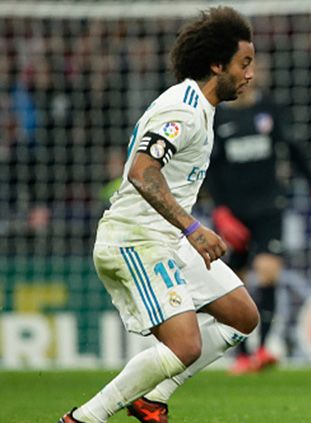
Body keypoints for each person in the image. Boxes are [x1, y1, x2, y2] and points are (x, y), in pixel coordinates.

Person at [60, 7, 258, 423]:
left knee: (242, 317)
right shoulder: (183, 110)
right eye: (244, 63)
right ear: (217, 64)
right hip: (135, 239)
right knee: (186, 345)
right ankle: (84, 419)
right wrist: (193, 227)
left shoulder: (202, 106)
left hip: (166, 238)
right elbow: (142, 171)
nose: (250, 74)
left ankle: (152, 399)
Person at [207, 69, 311, 374]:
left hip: (269, 206)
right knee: (234, 283)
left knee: (268, 273)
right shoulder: (217, 118)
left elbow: (293, 149)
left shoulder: (269, 109)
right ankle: (241, 354)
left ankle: (265, 349)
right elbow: (211, 169)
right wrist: (221, 211)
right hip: (234, 214)